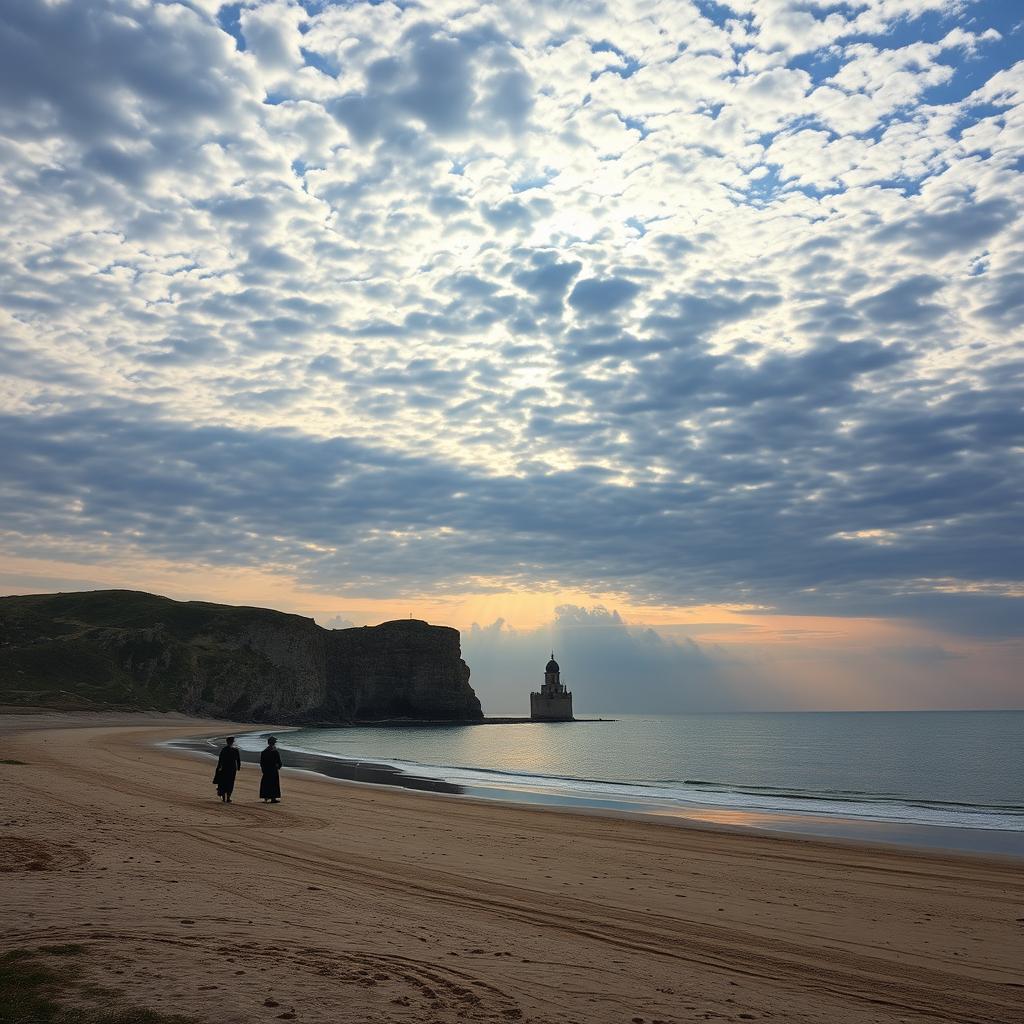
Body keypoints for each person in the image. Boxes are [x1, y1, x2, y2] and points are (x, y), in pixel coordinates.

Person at [213, 737, 241, 803]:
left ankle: (224, 798)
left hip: (225, 768)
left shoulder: (224, 750)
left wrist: (218, 768)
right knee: (230, 783)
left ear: (227, 742)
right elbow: (238, 760)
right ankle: (228, 798)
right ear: (233, 742)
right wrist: (238, 767)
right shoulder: (235, 750)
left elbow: (220, 760)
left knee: (223, 783)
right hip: (232, 769)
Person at [259, 735, 282, 803]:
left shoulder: (264, 752)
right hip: (273, 769)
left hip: (267, 770)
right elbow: (279, 761)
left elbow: (262, 762)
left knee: (266, 783)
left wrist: (263, 769)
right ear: (273, 743)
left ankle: (266, 797)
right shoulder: (275, 751)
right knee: (274, 784)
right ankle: (273, 798)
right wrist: (279, 766)